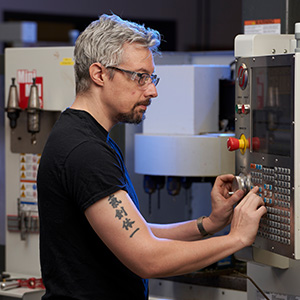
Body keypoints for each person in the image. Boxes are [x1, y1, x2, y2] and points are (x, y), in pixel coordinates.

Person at [37, 13, 266, 300]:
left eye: (151, 77)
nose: (153, 90)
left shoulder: (83, 137)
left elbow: (140, 234)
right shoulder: (85, 151)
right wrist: (236, 239)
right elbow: (148, 259)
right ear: (98, 74)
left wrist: (208, 224)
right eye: (140, 77)